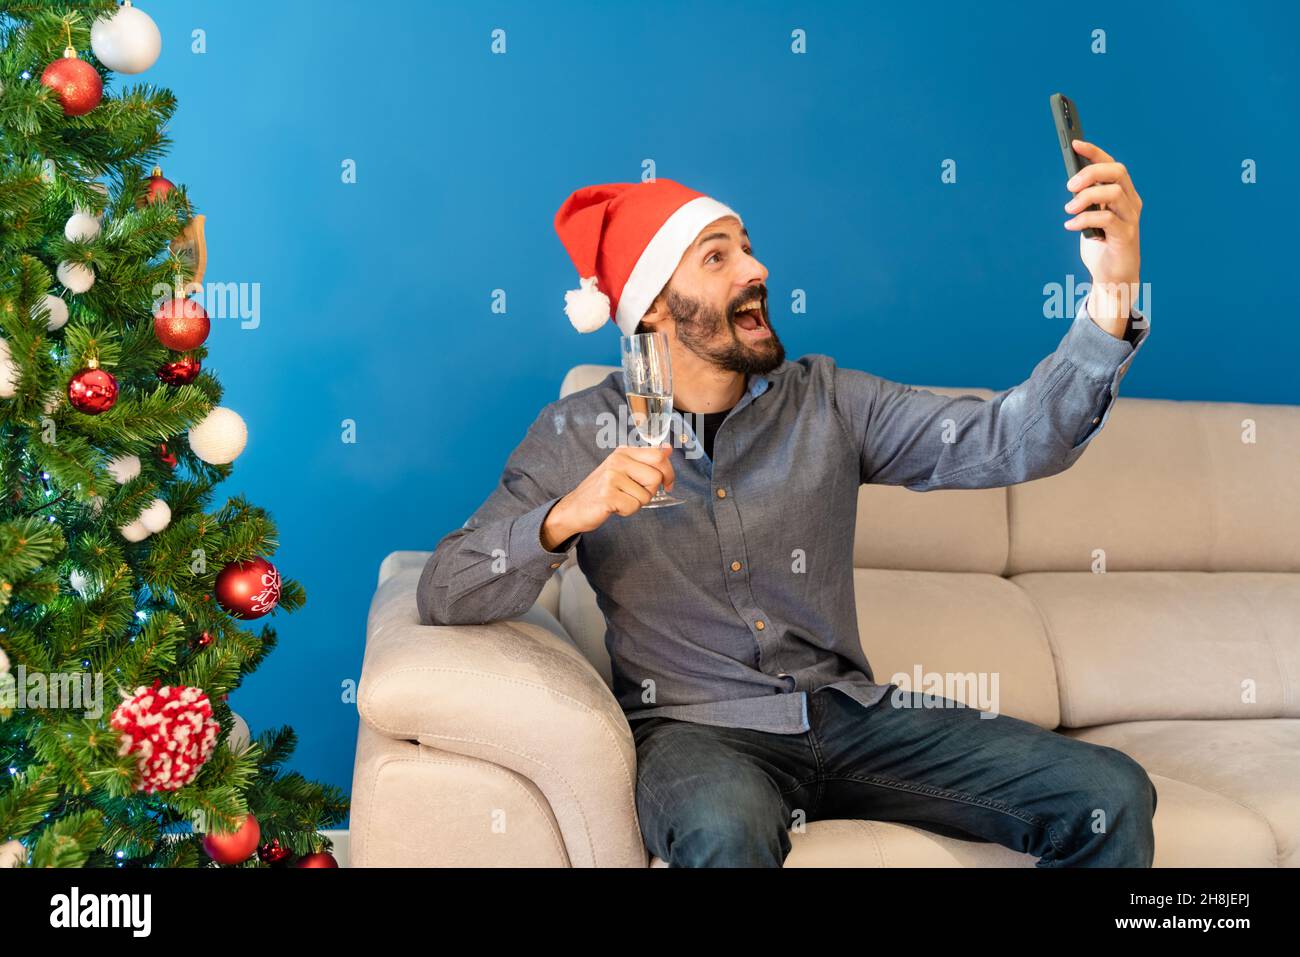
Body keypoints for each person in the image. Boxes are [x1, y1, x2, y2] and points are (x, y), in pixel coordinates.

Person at [417, 154, 1156, 867]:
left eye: (749, 248)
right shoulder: (579, 432)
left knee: (1109, 792)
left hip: (848, 717)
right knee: (724, 829)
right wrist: (564, 515)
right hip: (693, 731)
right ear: (652, 308)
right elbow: (445, 587)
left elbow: (1013, 440)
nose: (757, 269)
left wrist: (1114, 290)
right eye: (717, 257)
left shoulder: (830, 401)